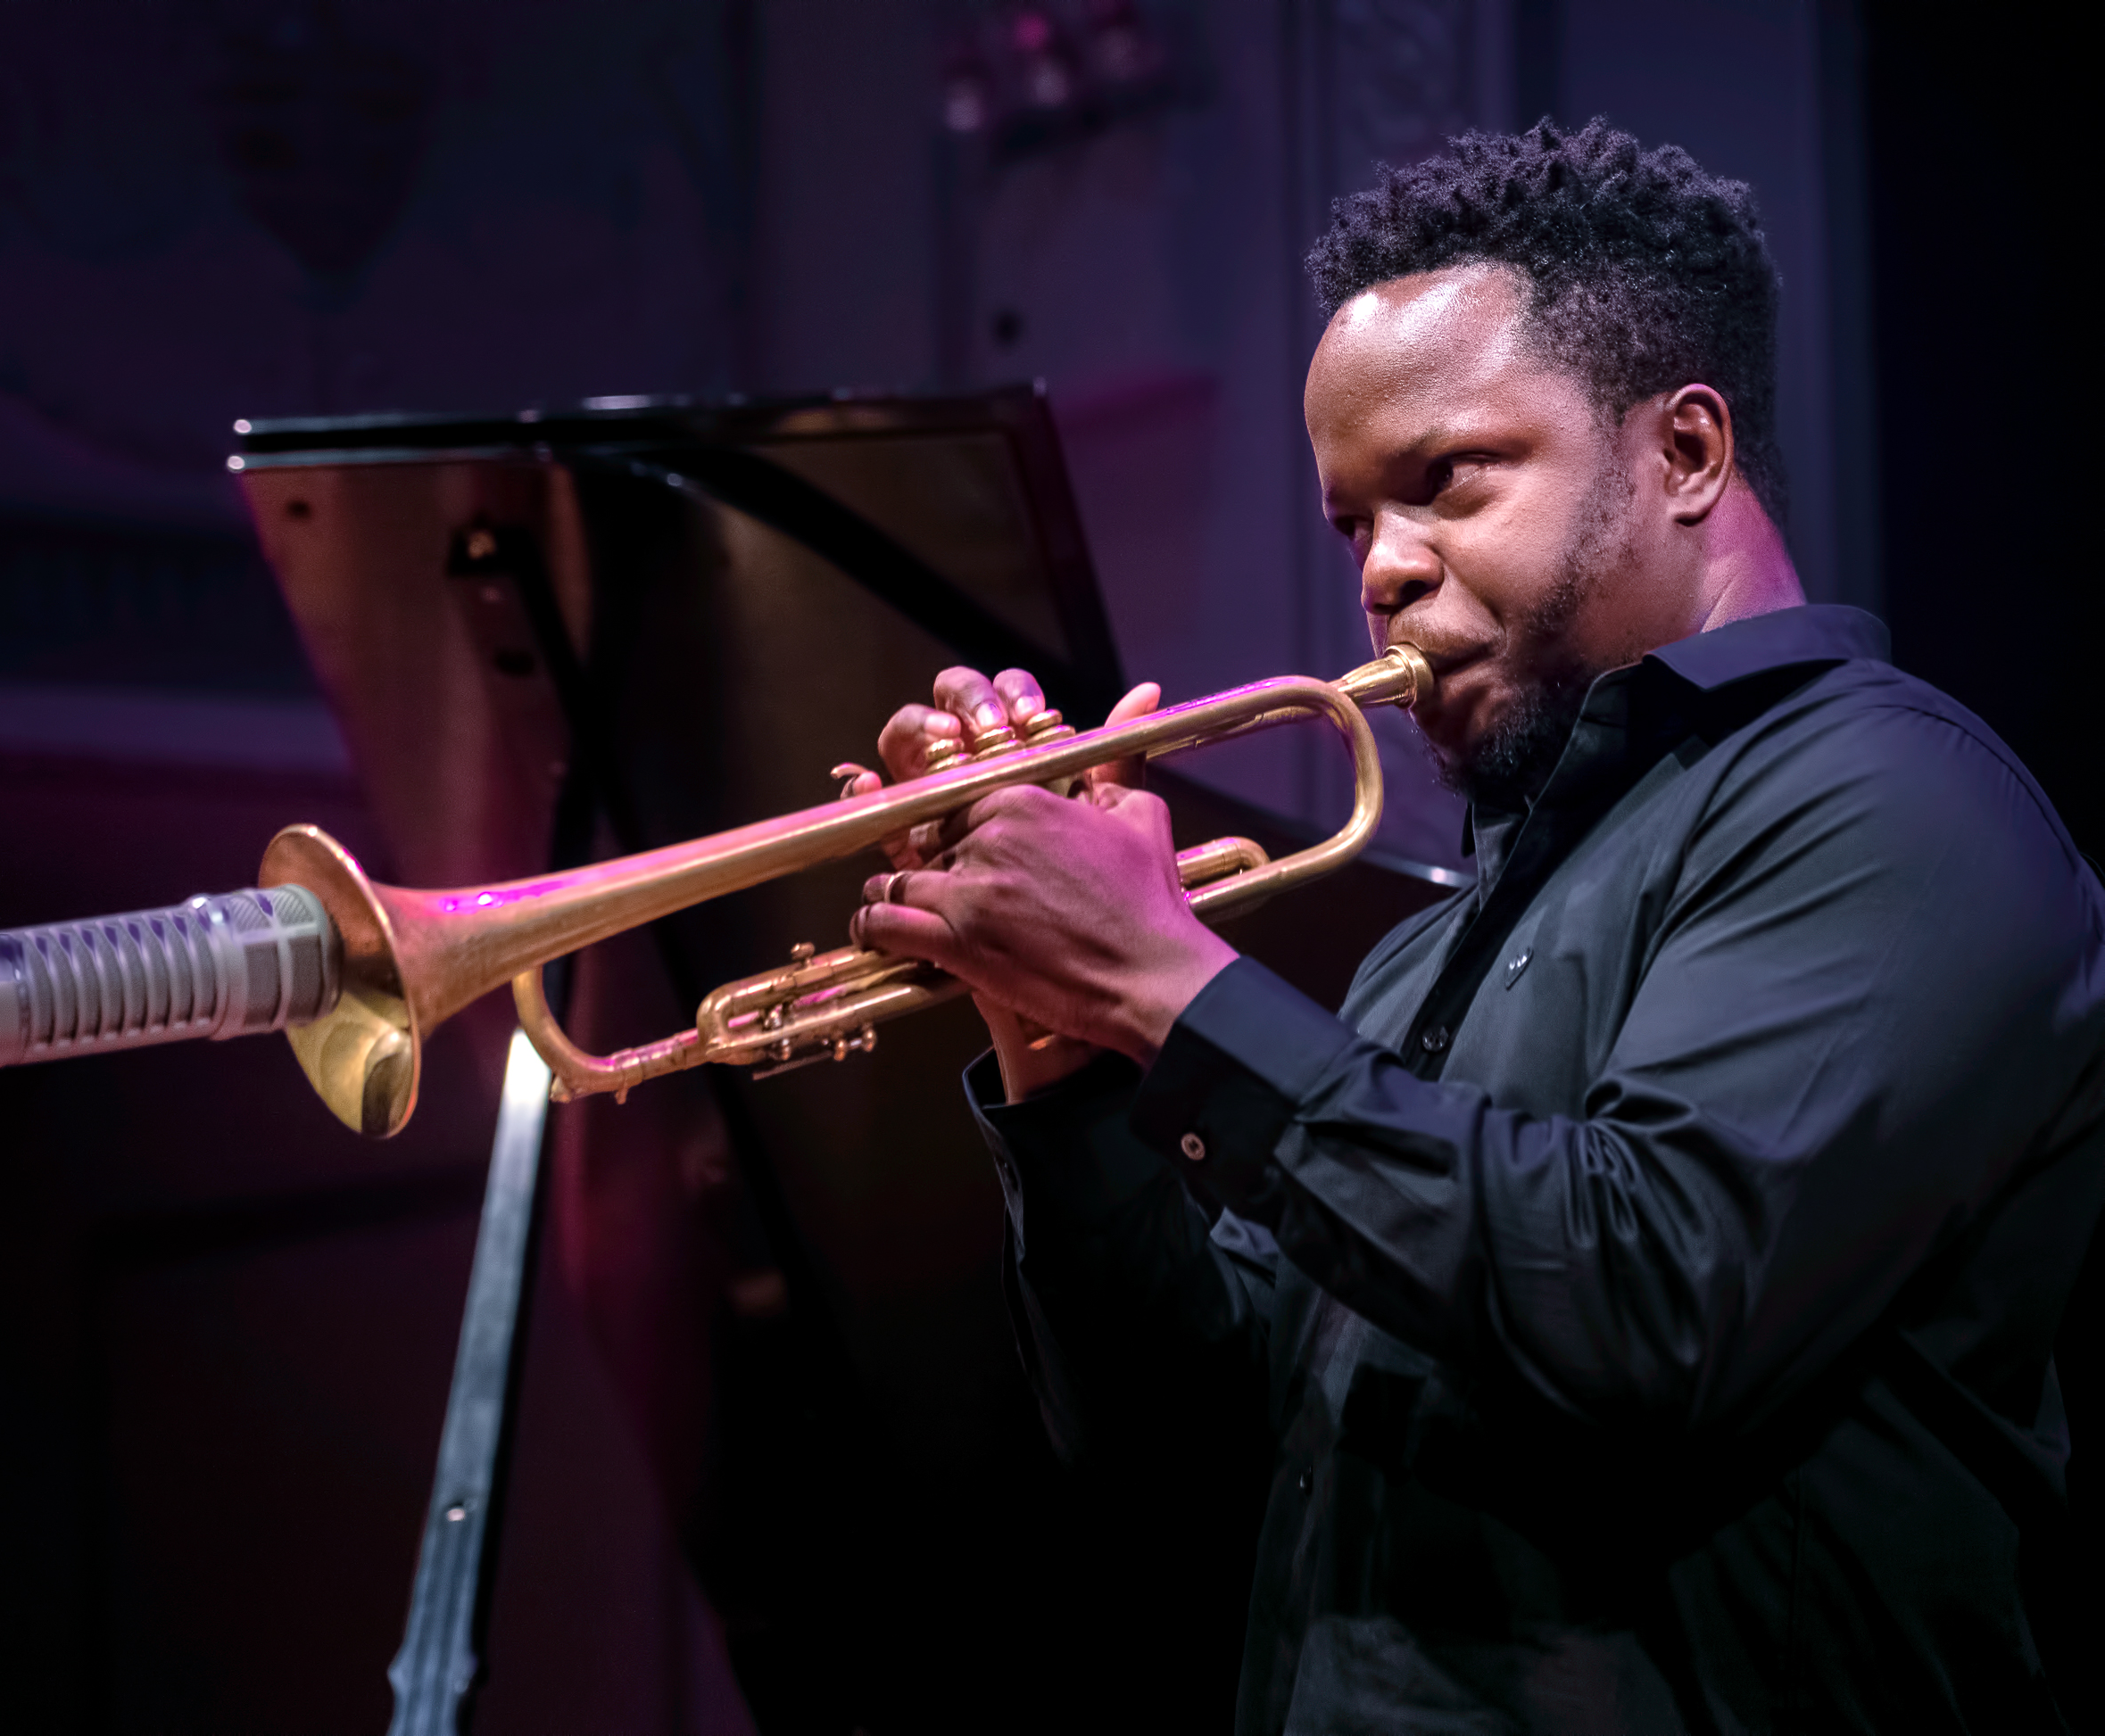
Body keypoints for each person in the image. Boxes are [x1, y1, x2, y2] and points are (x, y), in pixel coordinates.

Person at [842, 120, 2104, 1732]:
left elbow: (1655, 1304)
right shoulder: (1420, 955)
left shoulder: (1892, 803)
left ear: (1688, 455)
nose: (1381, 571)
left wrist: (1166, 978)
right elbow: (1186, 1464)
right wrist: (1064, 1043)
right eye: (1352, 522)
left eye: (1446, 482)